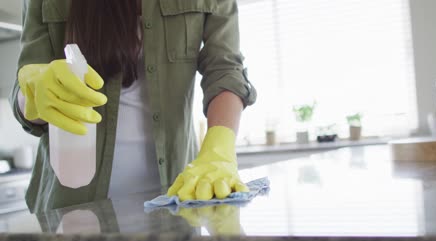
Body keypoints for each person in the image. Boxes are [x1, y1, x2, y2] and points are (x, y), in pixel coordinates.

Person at [10, 0, 256, 213]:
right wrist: (33, 97)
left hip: (176, 202)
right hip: (70, 206)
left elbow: (225, 69)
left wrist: (219, 148)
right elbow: (25, 87)